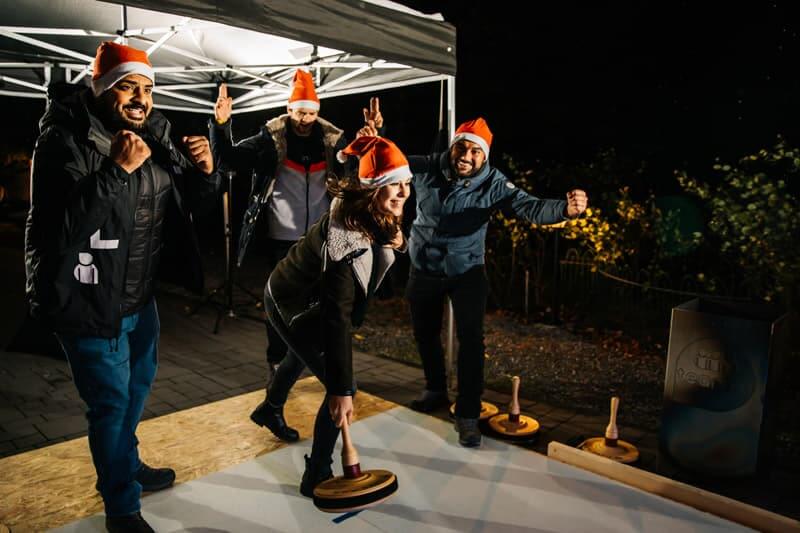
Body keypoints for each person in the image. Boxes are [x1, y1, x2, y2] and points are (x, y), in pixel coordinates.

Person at [25, 42, 219, 533]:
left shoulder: (155, 132)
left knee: (134, 392)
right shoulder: (63, 139)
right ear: (101, 88)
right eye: (128, 86)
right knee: (110, 405)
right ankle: (121, 508)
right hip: (89, 298)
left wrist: (206, 173)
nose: (141, 98)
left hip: (139, 297)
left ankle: (123, 464)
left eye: (148, 89)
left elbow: (190, 204)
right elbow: (60, 231)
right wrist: (115, 171)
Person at [358, 113, 588, 448]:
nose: (466, 156)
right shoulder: (428, 166)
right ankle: (435, 389)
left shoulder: (494, 182)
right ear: (452, 148)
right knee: (424, 334)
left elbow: (530, 208)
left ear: (485, 156)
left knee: (471, 340)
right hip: (424, 265)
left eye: (475, 152)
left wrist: (565, 211)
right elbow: (388, 163)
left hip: (467, 270)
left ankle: (467, 414)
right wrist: (377, 138)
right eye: (461, 148)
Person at [210, 71, 383, 442]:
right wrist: (221, 124)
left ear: (316, 112)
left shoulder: (334, 142)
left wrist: (371, 140)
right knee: (285, 314)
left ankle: (275, 399)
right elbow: (227, 159)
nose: (304, 119)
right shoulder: (270, 140)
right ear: (288, 109)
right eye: (298, 112)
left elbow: (366, 171)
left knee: (315, 318)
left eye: (309, 113)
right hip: (280, 238)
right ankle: (281, 372)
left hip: (321, 240)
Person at [263, 135, 410, 496]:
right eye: (394, 184)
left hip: (308, 299)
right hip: (290, 301)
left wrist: (400, 243)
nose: (404, 192)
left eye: (407, 183)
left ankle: (270, 407)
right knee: (339, 385)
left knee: (301, 357)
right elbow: (336, 316)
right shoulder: (346, 237)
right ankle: (316, 473)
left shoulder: (375, 214)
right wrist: (342, 388)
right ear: (372, 188)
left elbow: (387, 263)